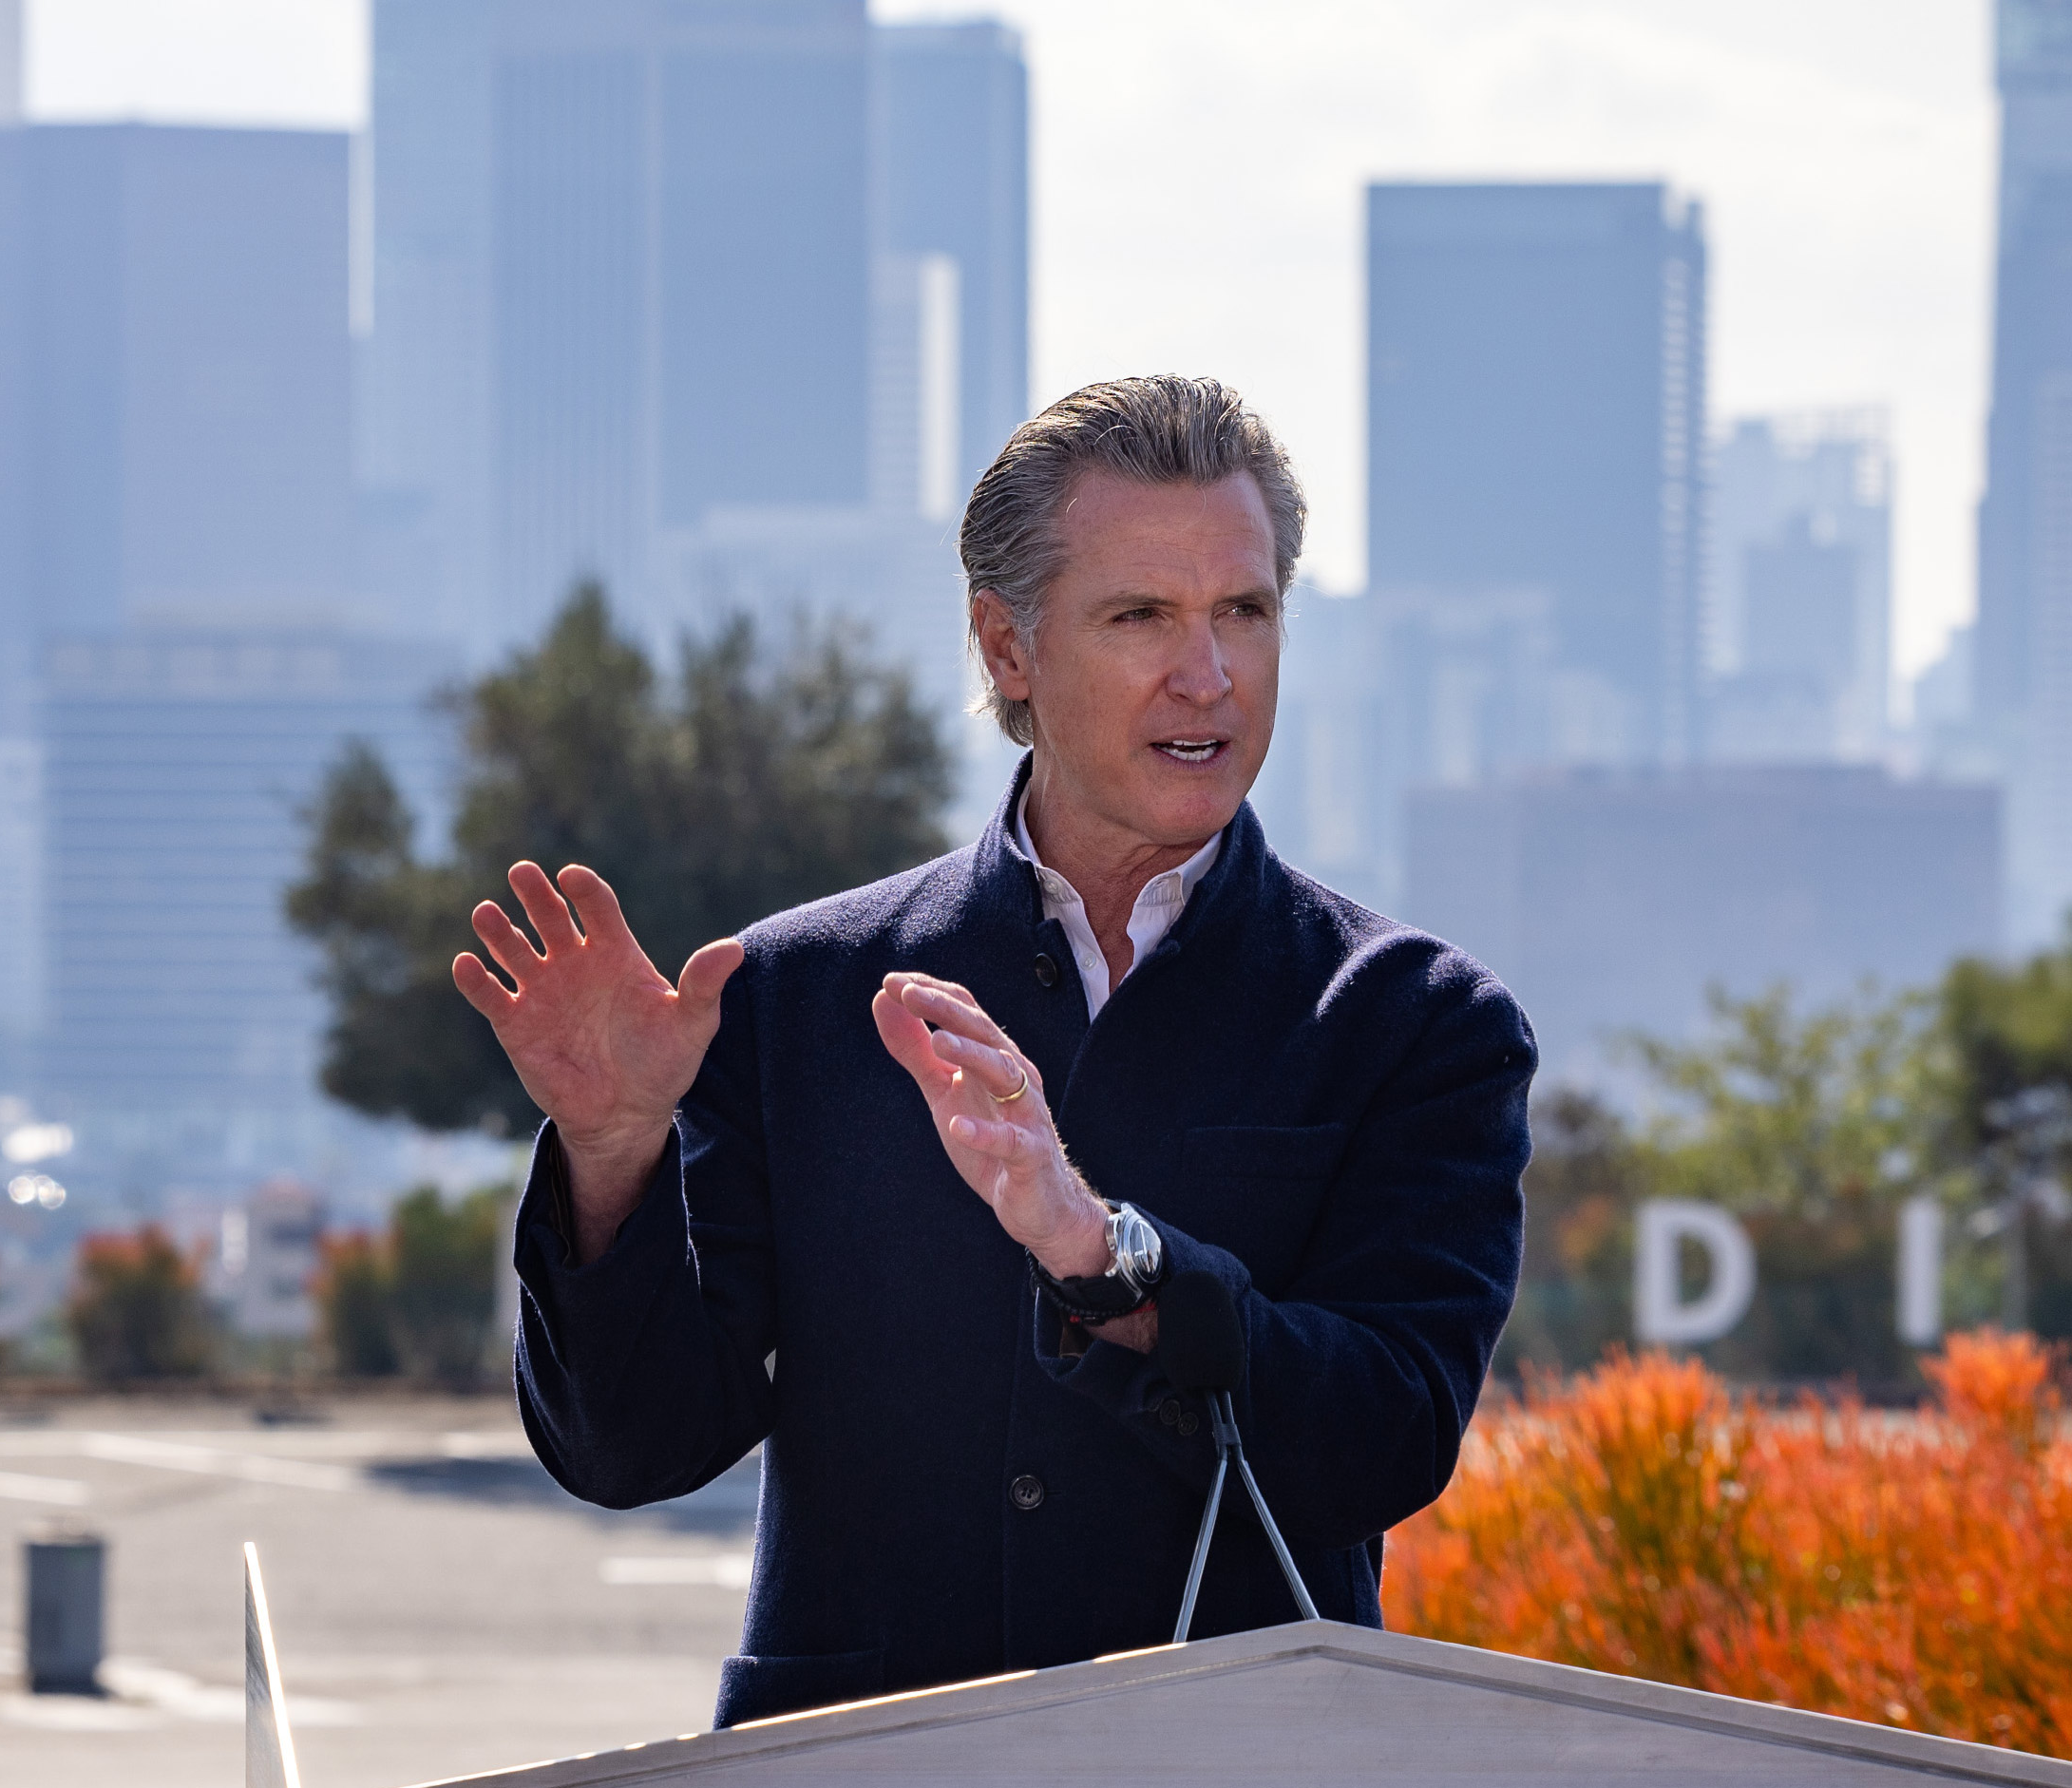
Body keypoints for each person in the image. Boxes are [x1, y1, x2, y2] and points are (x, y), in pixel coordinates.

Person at [452, 374, 1533, 1729]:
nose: (1206, 674)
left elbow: (1386, 1432)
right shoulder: (795, 995)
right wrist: (615, 1157)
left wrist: (1109, 1254)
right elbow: (629, 1448)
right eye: (1141, 614)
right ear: (1007, 649)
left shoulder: (1415, 1018)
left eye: (1243, 613)